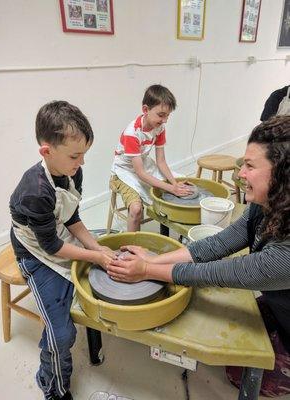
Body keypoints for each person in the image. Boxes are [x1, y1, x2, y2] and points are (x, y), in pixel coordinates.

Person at [107, 115, 290, 397]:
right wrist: (153, 260)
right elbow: (217, 245)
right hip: (279, 302)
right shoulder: (266, 203)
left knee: (238, 370)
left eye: (250, 166)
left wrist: (145, 271)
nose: (240, 174)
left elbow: (221, 273)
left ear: (281, 174)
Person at [9, 101, 114, 400]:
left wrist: (98, 247)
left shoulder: (71, 171)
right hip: (35, 254)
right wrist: (96, 256)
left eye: (84, 154)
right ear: (46, 151)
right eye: (75, 155)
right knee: (62, 334)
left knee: (103, 272)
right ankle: (52, 386)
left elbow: (71, 218)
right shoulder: (34, 191)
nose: (81, 162)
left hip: (57, 233)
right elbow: (52, 246)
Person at [110, 84, 193, 231]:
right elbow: (140, 174)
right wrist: (171, 188)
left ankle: (173, 232)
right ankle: (130, 248)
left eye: (167, 115)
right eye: (161, 115)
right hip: (124, 171)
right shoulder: (132, 134)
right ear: (145, 110)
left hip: (143, 164)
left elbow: (161, 161)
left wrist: (174, 183)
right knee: (136, 209)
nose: (165, 120)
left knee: (184, 183)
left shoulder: (159, 128)